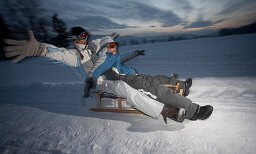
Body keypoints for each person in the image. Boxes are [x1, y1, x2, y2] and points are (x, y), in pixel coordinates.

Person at [3, 27, 183, 123]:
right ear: (75, 39)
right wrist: (40, 49)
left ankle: (168, 88)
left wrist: (109, 38)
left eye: (86, 35)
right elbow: (57, 52)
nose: (86, 38)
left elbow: (102, 41)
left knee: (135, 77)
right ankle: (165, 111)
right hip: (100, 82)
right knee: (123, 87)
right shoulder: (74, 56)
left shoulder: (91, 47)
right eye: (82, 35)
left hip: (111, 73)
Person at [86, 42, 213, 121]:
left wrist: (135, 53)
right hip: (127, 81)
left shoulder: (112, 58)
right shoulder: (101, 63)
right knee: (159, 91)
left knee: (157, 79)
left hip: (134, 76)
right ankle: (193, 111)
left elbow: (125, 57)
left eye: (114, 46)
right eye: (111, 47)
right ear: (103, 51)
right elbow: (97, 73)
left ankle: (182, 86)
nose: (114, 48)